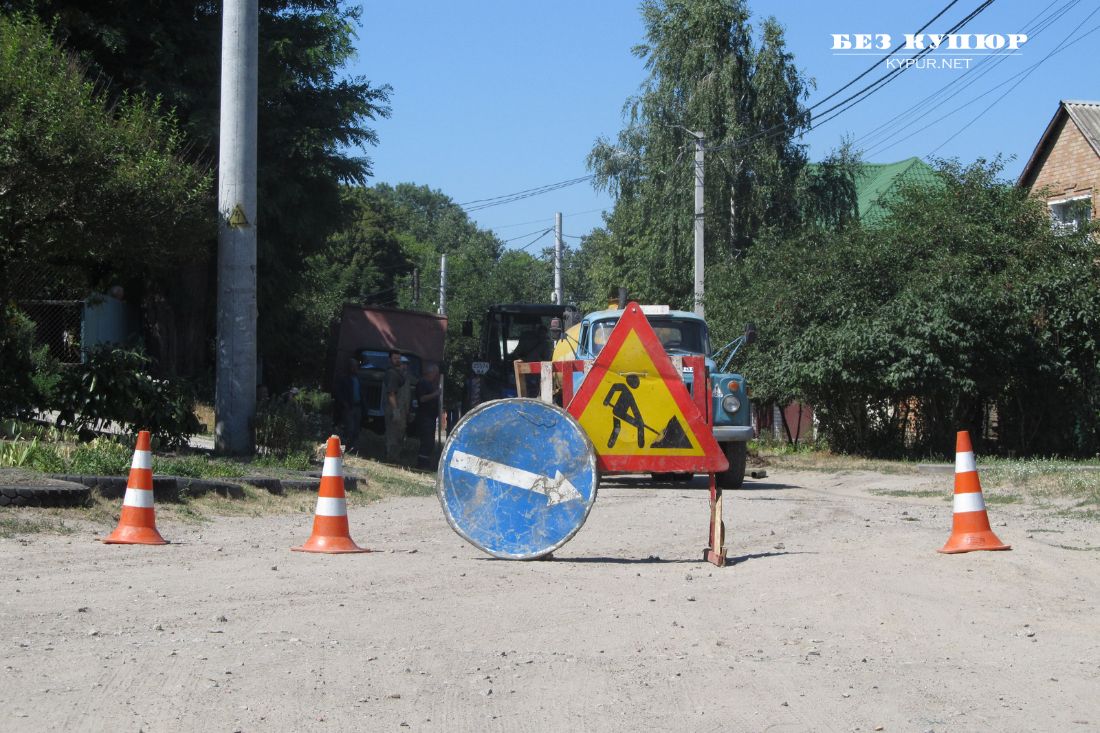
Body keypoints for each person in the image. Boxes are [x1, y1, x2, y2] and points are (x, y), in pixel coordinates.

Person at [414, 363, 441, 469]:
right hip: (425, 417)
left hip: (430, 417)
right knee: (426, 441)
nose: (436, 376)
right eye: (436, 374)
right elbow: (422, 399)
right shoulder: (422, 383)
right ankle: (421, 465)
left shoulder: (429, 384)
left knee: (429, 442)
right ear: (431, 372)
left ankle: (425, 463)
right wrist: (436, 394)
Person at [384, 350, 408, 462]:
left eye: (399, 358)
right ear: (390, 360)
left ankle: (395, 457)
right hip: (394, 409)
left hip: (400, 409)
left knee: (399, 434)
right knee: (393, 435)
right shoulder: (392, 374)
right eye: (395, 358)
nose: (398, 360)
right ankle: (391, 459)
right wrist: (396, 411)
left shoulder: (399, 373)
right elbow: (391, 394)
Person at [335, 357, 362, 454]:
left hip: (358, 406)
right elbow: (338, 393)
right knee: (349, 428)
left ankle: (354, 449)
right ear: (350, 367)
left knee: (356, 429)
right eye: (354, 367)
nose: (356, 368)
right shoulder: (344, 378)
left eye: (357, 367)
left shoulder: (358, 378)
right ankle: (346, 448)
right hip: (349, 407)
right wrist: (344, 403)